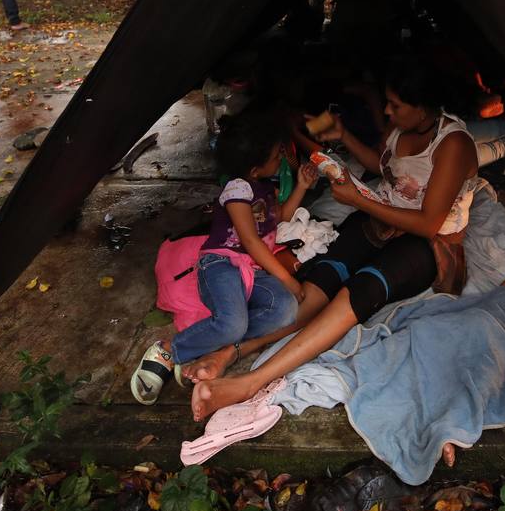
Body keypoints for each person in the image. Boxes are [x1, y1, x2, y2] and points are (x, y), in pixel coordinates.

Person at [188, 57, 479, 421]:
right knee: (323, 275)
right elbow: (383, 167)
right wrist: (343, 138)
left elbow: (429, 224)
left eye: (396, 105)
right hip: (381, 215)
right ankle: (234, 351)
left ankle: (252, 381)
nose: (386, 110)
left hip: (425, 242)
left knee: (358, 291)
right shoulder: (402, 128)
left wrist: (357, 199)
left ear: (422, 108)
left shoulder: (452, 145)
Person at [131, 109, 318, 404]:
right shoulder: (237, 189)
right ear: (255, 169)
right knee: (234, 324)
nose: (281, 160)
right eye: (275, 157)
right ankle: (170, 349)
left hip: (250, 272)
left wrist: (302, 187)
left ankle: (207, 345)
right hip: (221, 264)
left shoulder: (265, 188)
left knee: (285, 310)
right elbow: (251, 241)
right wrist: (287, 279)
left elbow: (279, 217)